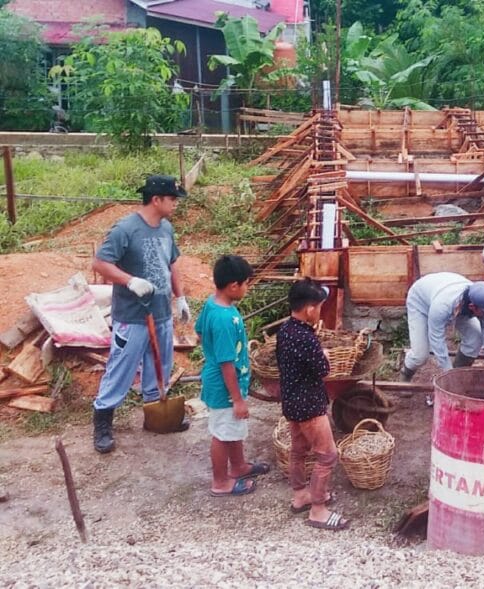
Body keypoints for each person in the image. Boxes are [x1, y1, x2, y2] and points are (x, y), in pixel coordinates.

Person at [91, 175, 191, 454]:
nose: (175, 204)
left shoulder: (166, 228)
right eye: (172, 199)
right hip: (132, 315)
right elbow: (100, 263)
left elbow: (172, 264)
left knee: (160, 367)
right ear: (156, 199)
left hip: (160, 312)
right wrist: (129, 281)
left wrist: (180, 297)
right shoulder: (126, 229)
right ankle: (102, 419)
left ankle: (154, 415)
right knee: (122, 367)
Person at [276, 278, 348, 530]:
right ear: (309, 309)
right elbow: (322, 370)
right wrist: (325, 356)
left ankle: (300, 495)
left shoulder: (285, 331)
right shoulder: (306, 338)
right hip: (310, 406)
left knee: (299, 451)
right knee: (327, 455)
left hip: (292, 404)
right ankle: (318, 509)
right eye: (318, 307)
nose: (319, 311)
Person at [195, 255, 269, 496]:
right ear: (233, 286)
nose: (248, 288)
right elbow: (227, 363)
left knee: (231, 427)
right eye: (246, 283)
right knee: (222, 433)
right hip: (224, 385)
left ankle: (238, 466)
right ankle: (220, 482)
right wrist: (237, 398)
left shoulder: (212, 304)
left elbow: (199, 331)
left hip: (223, 381)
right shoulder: (225, 319)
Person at [399, 273, 484, 384]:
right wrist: (447, 372)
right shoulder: (442, 306)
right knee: (420, 355)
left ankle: (458, 374)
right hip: (420, 301)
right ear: (472, 307)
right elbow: (437, 339)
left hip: (450, 296)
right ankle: (405, 374)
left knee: (476, 337)